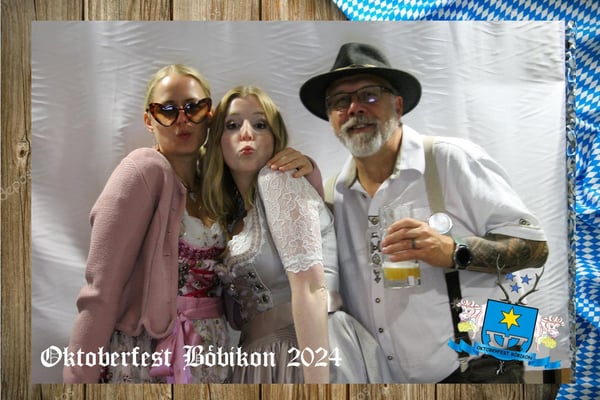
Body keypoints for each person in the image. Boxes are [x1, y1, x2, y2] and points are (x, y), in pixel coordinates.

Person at [298, 42, 550, 383]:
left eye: (369, 95)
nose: (355, 108)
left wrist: (454, 250)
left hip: (481, 368)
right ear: (331, 118)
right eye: (340, 101)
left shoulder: (451, 160)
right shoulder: (333, 196)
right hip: (386, 380)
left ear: (398, 106)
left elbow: (535, 247)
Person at [63, 64, 317, 384]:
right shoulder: (142, 171)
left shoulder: (219, 185)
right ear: (149, 120)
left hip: (212, 351)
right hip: (146, 355)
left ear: (209, 115)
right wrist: (77, 380)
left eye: (193, 107)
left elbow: (292, 224)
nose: (182, 120)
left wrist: (306, 168)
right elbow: (100, 289)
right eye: (167, 110)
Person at [201, 85, 392, 384]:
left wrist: (316, 386)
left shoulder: (278, 180)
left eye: (260, 124)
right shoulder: (235, 215)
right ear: (217, 141)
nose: (247, 134)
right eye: (233, 125)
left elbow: (312, 288)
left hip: (305, 350)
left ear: (275, 136)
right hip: (261, 360)